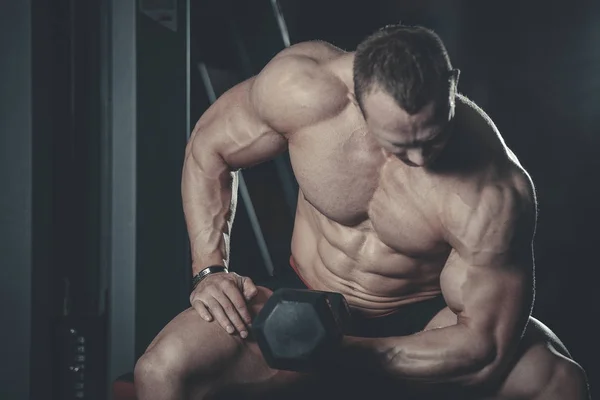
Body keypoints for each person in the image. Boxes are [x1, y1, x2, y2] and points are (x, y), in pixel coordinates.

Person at [133, 24, 590, 399]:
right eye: (398, 144)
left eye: (432, 138)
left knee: (557, 384)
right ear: (357, 96)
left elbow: (484, 348)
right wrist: (210, 269)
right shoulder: (302, 92)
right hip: (302, 298)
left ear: (451, 85)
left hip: (426, 323)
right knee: (162, 370)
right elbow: (208, 151)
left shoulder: (495, 191)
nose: (418, 159)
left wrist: (339, 350)